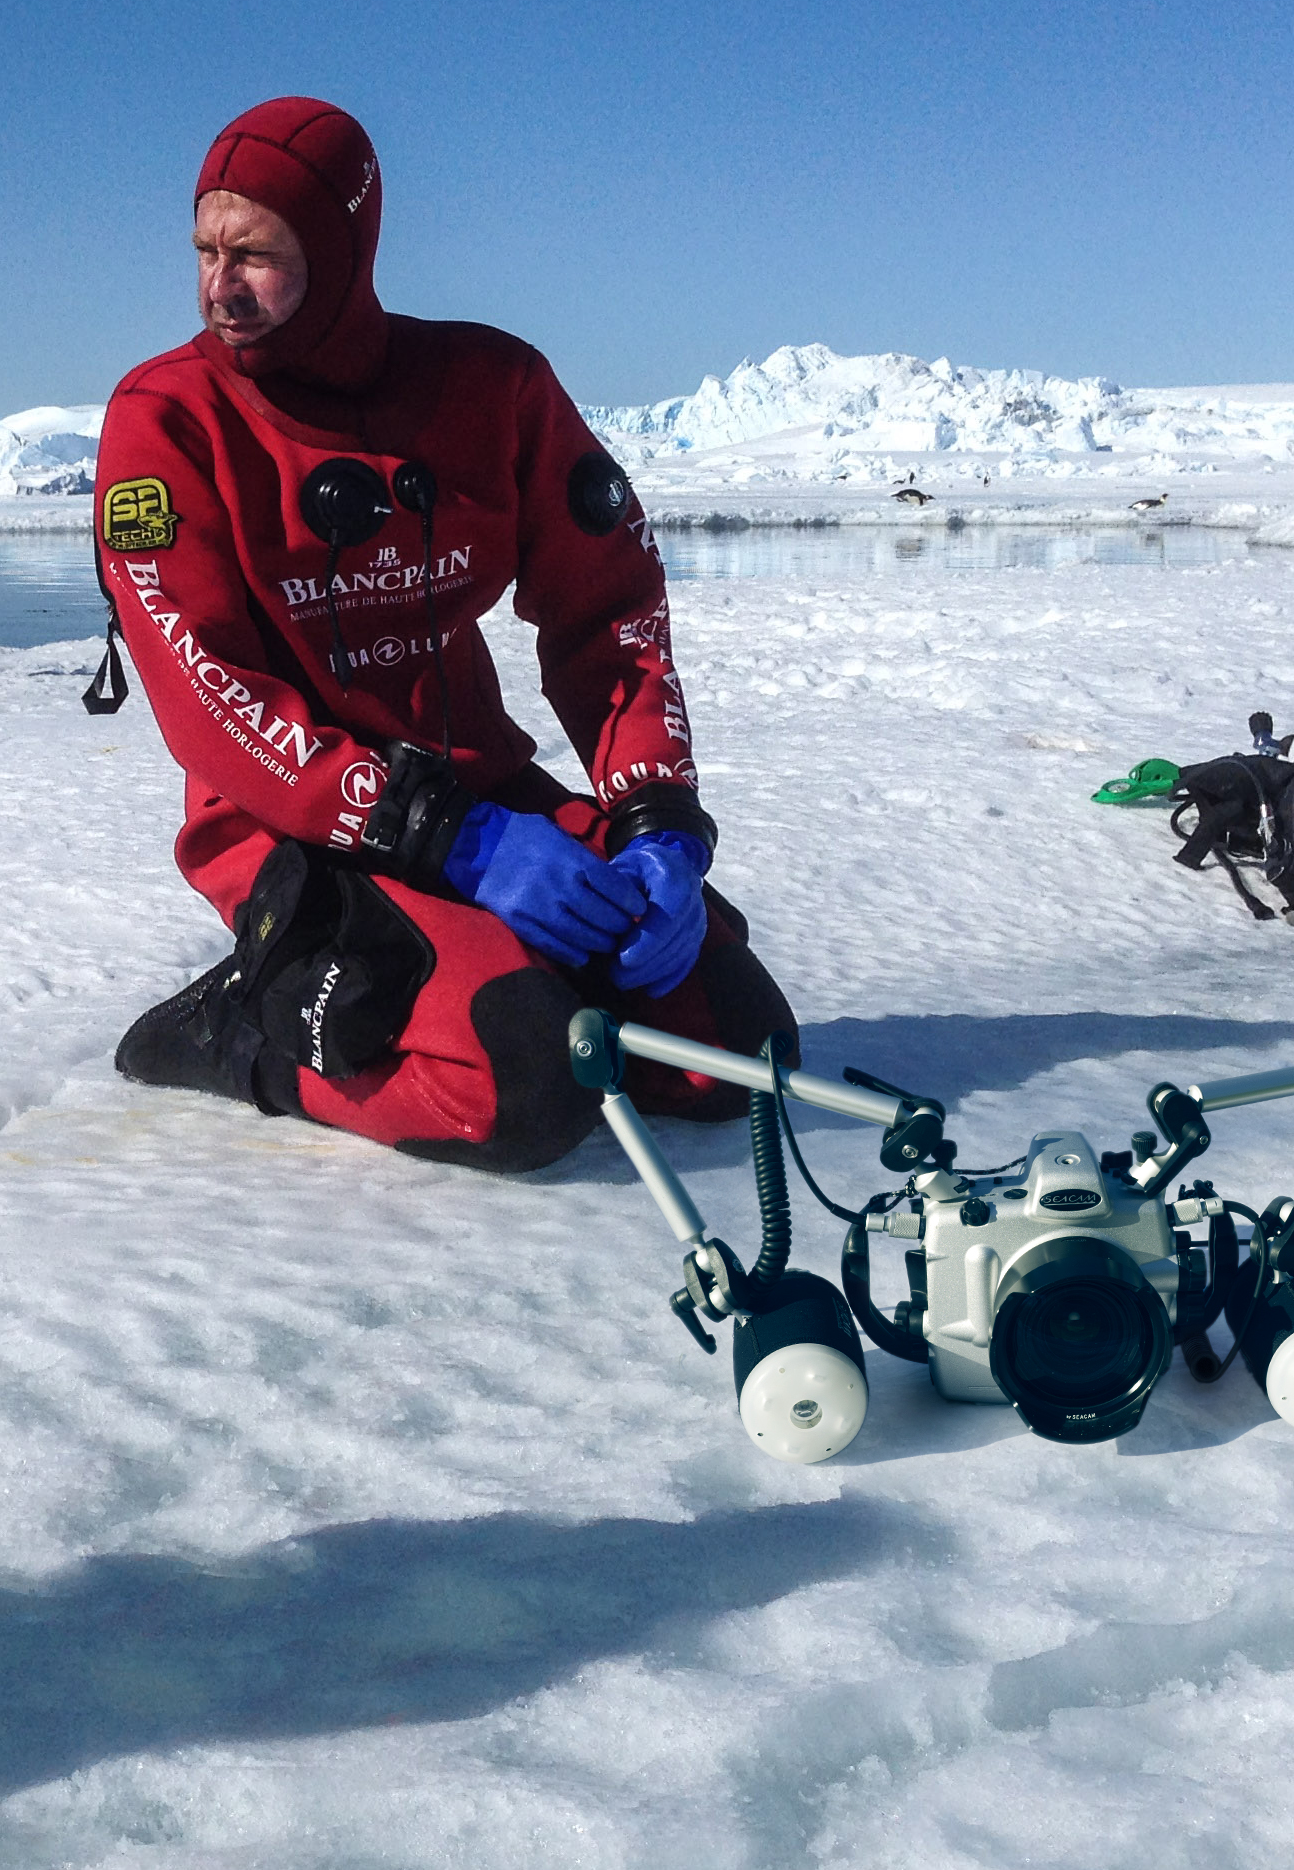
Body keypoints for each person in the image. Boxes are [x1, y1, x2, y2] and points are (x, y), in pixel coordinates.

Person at [96, 96, 795, 1171]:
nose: (220, 287)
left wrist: (656, 819)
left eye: (258, 256)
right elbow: (207, 694)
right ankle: (244, 1031)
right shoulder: (168, 418)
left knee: (739, 1049)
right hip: (295, 823)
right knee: (529, 1080)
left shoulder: (489, 389)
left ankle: (515, 965)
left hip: (483, 796)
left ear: (342, 251)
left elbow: (607, 607)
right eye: (205, 251)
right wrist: (444, 838)